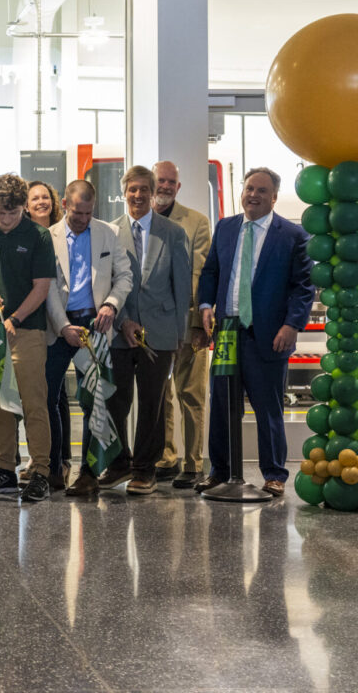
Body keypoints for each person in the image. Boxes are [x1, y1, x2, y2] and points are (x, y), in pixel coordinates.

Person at [70, 165, 191, 495]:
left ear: (153, 192)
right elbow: (105, 283)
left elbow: (182, 287)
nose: (137, 195)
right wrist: (122, 321)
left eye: (143, 189)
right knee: (115, 400)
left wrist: (180, 335)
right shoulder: (110, 232)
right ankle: (120, 462)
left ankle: (145, 469)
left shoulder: (173, 233)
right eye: (131, 189)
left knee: (153, 402)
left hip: (161, 332)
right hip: (119, 330)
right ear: (123, 193)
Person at [196, 167, 313, 497]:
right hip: (227, 332)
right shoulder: (226, 227)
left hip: (269, 335)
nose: (253, 195)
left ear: (274, 197)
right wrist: (206, 305)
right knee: (221, 405)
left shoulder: (292, 235)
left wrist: (292, 325)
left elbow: (303, 288)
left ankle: (274, 474)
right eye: (249, 188)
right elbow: (211, 273)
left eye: (262, 190)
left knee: (268, 407)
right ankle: (220, 471)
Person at [0, 173, 58, 502]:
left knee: (33, 403)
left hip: (27, 330)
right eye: (1, 213)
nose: (6, 220)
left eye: (13, 213)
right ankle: (4, 469)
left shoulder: (38, 236)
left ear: (23, 208)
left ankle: (41, 472)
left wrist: (16, 317)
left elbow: (42, 287)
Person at [45, 180, 132, 492]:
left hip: (94, 326)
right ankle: (54, 468)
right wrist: (61, 326)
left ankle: (89, 474)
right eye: (77, 212)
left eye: (88, 212)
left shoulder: (107, 232)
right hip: (58, 327)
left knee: (95, 400)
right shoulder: (50, 236)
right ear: (66, 203)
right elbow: (48, 287)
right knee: (48, 397)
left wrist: (111, 304)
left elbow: (124, 276)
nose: (83, 218)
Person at [152, 160, 213, 488]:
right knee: (159, 394)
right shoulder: (140, 220)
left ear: (178, 187)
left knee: (191, 395)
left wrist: (194, 323)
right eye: (159, 180)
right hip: (151, 326)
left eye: (170, 182)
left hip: (188, 323)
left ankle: (192, 464)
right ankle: (165, 457)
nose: (164, 186)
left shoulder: (196, 222)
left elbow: (198, 273)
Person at [26, 179, 69, 479]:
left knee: (54, 396)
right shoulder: (25, 235)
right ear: (25, 206)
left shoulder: (62, 233)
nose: (41, 202)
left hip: (59, 324)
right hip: (31, 322)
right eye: (35, 198)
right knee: (37, 396)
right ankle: (40, 458)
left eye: (45, 197)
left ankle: (59, 461)